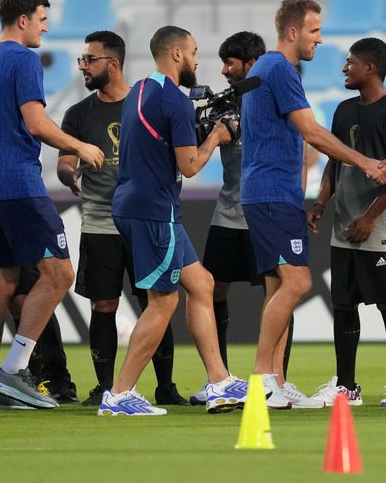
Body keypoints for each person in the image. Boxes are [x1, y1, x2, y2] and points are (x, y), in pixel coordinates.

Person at [0, 0, 105, 410]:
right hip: (19, 183)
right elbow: (36, 123)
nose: (45, 25)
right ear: (23, 19)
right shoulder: (23, 58)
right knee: (59, 274)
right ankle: (16, 368)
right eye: (41, 18)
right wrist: (80, 147)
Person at [240, 0, 386, 409]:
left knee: (278, 287)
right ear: (293, 33)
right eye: (314, 31)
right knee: (298, 282)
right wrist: (363, 161)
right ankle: (260, 379)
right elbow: (311, 132)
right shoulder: (280, 69)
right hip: (272, 192)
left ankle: (278, 381)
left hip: (271, 192)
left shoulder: (268, 69)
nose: (319, 39)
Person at [99, 26, 246, 416]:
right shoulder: (175, 101)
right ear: (177, 53)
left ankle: (219, 381)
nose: (199, 61)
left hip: (138, 203)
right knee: (163, 302)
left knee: (202, 283)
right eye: (195, 52)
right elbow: (191, 165)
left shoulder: (139, 92)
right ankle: (118, 394)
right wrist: (216, 136)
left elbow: (159, 145)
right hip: (153, 210)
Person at [56, 30, 186, 407]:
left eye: (89, 59)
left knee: (157, 301)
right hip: (99, 222)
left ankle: (165, 385)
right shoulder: (78, 114)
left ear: (112, 63)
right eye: (81, 59)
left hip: (146, 219)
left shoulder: (144, 103)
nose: (82, 66)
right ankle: (104, 386)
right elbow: (65, 163)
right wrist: (72, 175)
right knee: (104, 306)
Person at [307, 37, 386, 408]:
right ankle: (347, 385)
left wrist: (370, 217)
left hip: (381, 227)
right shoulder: (343, 110)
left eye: (350, 62)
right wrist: (321, 202)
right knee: (344, 305)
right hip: (344, 227)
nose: (344, 68)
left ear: (370, 68)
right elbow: (334, 162)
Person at [188, 31, 266, 406]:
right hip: (228, 212)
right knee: (212, 290)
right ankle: (218, 378)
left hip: (265, 213)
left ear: (250, 63)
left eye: (230, 63)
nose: (223, 70)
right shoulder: (222, 105)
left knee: (277, 293)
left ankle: (271, 380)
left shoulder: (273, 99)